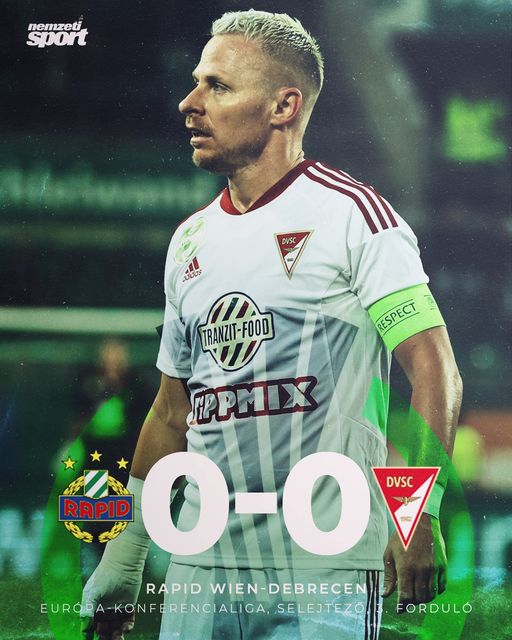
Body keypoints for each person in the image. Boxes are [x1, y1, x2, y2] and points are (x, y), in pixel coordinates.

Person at [81, 9, 462, 640]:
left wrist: (418, 514)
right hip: (201, 566)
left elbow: (433, 368)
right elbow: (173, 413)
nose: (189, 103)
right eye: (196, 83)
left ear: (284, 106)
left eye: (217, 86)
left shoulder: (355, 217)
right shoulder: (189, 241)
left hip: (326, 567)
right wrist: (126, 555)